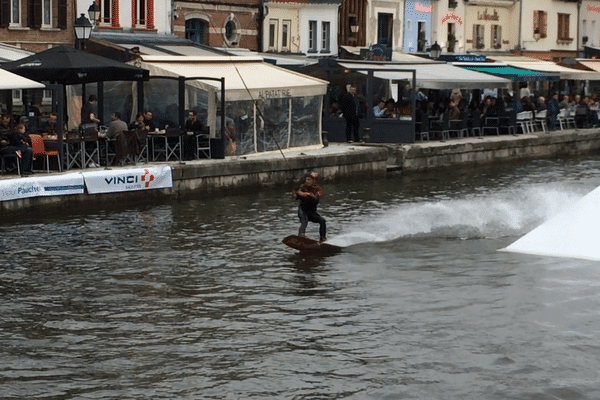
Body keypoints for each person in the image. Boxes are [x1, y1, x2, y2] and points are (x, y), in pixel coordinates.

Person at [291, 172, 327, 242]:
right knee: (304, 221)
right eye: (307, 179)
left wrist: (311, 195)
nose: (307, 181)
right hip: (303, 211)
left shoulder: (318, 188)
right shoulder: (303, 186)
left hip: (312, 212)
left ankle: (323, 238)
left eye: (309, 180)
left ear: (314, 180)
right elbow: (298, 192)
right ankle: (301, 236)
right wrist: (303, 193)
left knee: (322, 221)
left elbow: (318, 196)